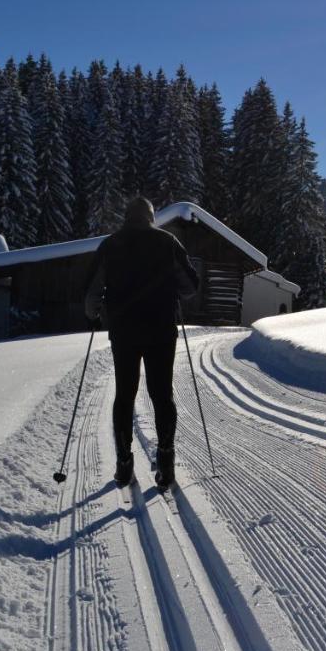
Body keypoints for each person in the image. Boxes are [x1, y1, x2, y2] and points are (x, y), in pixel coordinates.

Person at [85, 197, 200, 490]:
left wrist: (94, 313)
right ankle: (166, 462)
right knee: (162, 395)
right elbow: (190, 287)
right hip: (161, 331)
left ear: (127, 217)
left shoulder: (111, 244)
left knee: (125, 395)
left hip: (124, 332)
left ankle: (124, 465)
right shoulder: (168, 242)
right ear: (151, 217)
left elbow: (93, 289)